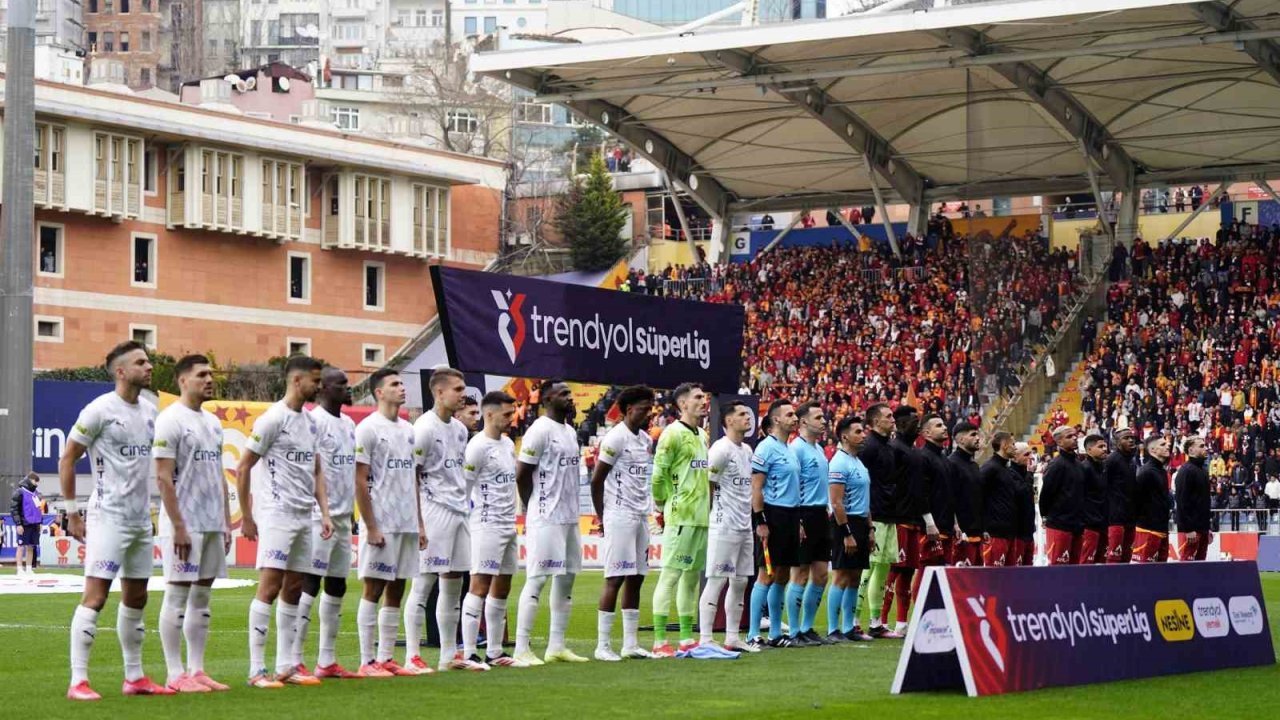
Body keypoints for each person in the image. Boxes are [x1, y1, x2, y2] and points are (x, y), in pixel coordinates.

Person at [62, 341, 172, 701]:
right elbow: (68, 459)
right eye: (142, 362)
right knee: (95, 597)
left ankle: (135, 676)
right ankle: (78, 681)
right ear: (121, 371)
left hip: (141, 519)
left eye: (149, 360)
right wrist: (72, 511)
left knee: (137, 597)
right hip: (107, 516)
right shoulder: (98, 411)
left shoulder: (151, 410)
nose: (150, 366)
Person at [237, 355, 333, 689]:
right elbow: (244, 465)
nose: (318, 387)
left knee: (294, 587)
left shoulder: (310, 423)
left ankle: (286, 666)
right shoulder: (271, 419)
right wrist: (248, 516)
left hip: (304, 516)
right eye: (315, 381)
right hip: (276, 515)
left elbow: (317, 470)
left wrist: (324, 512)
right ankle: (256, 670)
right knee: (270, 586)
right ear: (297, 380)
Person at [154, 355, 232, 693]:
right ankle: (174, 674)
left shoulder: (213, 423)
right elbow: (162, 477)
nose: (209, 379)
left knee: (202, 597)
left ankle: (197, 670)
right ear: (182, 380)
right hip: (183, 524)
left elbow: (218, 475)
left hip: (212, 522)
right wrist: (178, 526)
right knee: (176, 595)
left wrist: (226, 522)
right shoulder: (170, 420)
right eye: (202, 374)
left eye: (210, 374)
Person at [409, 368, 485, 672]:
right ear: (439, 392)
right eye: (458, 389)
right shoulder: (423, 428)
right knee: (424, 583)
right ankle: (413, 655)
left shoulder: (459, 429)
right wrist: (419, 523)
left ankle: (449, 655)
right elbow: (411, 475)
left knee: (454, 583)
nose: (463, 394)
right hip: (433, 511)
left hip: (458, 511)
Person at [352, 369, 426, 677]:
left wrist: (420, 523)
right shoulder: (368, 428)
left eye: (401, 383)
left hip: (406, 522)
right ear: (379, 392)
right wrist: (371, 526)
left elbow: (413, 478)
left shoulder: (409, 430)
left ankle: (386, 658)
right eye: (394, 384)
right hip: (381, 522)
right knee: (374, 588)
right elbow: (359, 479)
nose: (401, 388)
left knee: (397, 588)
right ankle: (367, 660)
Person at [513, 379, 587, 665]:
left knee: (566, 579)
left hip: (569, 517)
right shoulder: (539, 430)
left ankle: (557, 645)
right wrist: (535, 505)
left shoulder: (569, 431)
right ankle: (521, 648)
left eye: (570, 393)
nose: (570, 398)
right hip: (546, 516)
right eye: (563, 394)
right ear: (546, 400)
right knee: (538, 578)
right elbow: (522, 474)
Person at [297, 367, 359, 679]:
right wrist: (321, 510)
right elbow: (312, 470)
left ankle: (327, 660)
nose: (348, 388)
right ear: (323, 388)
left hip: (344, 516)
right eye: (342, 384)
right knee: (310, 582)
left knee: (337, 584)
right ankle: (295, 658)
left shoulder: (348, 423)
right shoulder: (313, 422)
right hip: (317, 516)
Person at [460, 391, 528, 668]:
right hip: (485, 524)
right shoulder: (476, 447)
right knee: (479, 585)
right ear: (490, 415)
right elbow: (464, 488)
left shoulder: (508, 444)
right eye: (507, 414)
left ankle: (495, 651)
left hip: (507, 524)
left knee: (503, 586)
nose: (512, 419)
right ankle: (468, 654)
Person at [591, 385, 658, 661]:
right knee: (615, 578)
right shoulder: (614, 438)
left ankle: (630, 643)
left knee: (637, 578)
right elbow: (597, 480)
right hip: (618, 515)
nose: (649, 414)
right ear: (629, 410)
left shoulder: (644, 439)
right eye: (644, 409)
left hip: (640, 515)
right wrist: (602, 516)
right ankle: (603, 645)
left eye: (650, 408)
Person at [649, 383, 712, 655]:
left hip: (701, 516)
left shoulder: (703, 435)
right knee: (670, 575)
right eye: (698, 397)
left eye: (705, 396)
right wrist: (663, 506)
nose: (704, 400)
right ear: (683, 404)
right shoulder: (671, 434)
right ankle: (660, 641)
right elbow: (658, 474)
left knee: (691, 579)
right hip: (680, 515)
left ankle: (687, 638)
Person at [698, 400, 760, 652]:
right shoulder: (720, 450)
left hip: (744, 526)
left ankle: (733, 637)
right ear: (729, 420)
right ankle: (705, 638)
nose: (748, 418)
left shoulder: (746, 450)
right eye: (743, 414)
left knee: (741, 582)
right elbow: (707, 485)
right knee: (716, 580)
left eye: (748, 413)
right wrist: (712, 517)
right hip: (723, 525)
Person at [748, 400, 801, 648]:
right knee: (766, 574)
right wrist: (760, 520)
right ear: (776, 420)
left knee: (781, 576)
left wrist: (798, 520)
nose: (795, 417)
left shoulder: (788, 448)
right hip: (772, 514)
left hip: (790, 516)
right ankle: (752, 633)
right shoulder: (766, 448)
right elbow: (756, 487)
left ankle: (776, 634)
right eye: (789, 414)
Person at [881, 406, 931, 635]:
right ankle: (880, 620)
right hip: (897, 519)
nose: (917, 424)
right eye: (913, 420)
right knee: (892, 570)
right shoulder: (894, 449)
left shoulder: (915, 451)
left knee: (909, 569)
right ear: (901, 423)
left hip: (913, 519)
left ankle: (901, 621)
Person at [787, 401, 832, 646]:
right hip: (803, 513)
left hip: (820, 514)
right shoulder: (797, 449)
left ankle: (807, 628)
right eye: (818, 417)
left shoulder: (819, 449)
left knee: (822, 574)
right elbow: (793, 485)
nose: (823, 421)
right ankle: (794, 632)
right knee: (800, 574)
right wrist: (798, 519)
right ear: (804, 422)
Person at [856, 403, 902, 639]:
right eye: (888, 416)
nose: (892, 419)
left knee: (883, 568)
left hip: (889, 514)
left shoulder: (889, 448)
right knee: (868, 567)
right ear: (875, 422)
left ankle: (876, 622)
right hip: (874, 514)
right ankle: (854, 620)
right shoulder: (868, 448)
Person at [827, 415, 873, 642]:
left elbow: (865, 498)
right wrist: (846, 533)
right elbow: (836, 502)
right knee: (841, 576)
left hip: (861, 522)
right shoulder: (839, 462)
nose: (863, 435)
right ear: (845, 436)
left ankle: (848, 627)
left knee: (855, 577)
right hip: (845, 523)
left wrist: (870, 528)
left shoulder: (858, 462)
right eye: (857, 432)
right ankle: (833, 629)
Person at [911, 415, 952, 603]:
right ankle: (920, 617)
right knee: (925, 571)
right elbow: (920, 493)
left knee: (942, 573)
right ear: (926, 433)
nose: (944, 428)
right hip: (930, 527)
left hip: (946, 525)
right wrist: (929, 523)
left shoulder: (943, 457)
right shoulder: (922, 457)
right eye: (938, 425)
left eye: (944, 424)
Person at [1040, 426, 1084, 565]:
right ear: (1059, 442)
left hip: (1077, 524)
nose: (1075, 438)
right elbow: (1046, 494)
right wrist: (1045, 516)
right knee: (1058, 569)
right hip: (1059, 525)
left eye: (1075, 435)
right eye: (1069, 436)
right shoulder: (1056, 465)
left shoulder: (1079, 464)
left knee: (1076, 569)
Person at [948, 423, 984, 567]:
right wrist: (955, 524)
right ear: (961, 440)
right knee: (959, 583)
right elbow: (949, 498)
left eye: (977, 434)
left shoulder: (974, 465)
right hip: (960, 535)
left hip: (976, 533)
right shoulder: (951, 463)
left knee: (977, 582)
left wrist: (983, 528)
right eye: (973, 435)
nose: (977, 438)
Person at [980, 432, 1018, 567]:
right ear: (1004, 445)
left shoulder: (1006, 469)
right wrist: (983, 527)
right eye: (1013, 444)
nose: (1015, 448)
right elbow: (977, 496)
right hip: (994, 533)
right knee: (993, 579)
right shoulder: (990, 468)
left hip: (1009, 532)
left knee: (1009, 579)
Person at [1133, 436, 1172, 563]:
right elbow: (1136, 500)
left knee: (1161, 574)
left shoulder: (1161, 471)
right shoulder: (1146, 472)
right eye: (1163, 444)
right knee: (1145, 574)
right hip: (1147, 530)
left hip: (1162, 529)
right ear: (1153, 450)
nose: (1168, 446)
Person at [1104, 428, 1139, 563]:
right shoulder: (1111, 460)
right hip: (1115, 518)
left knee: (1126, 559)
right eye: (1126, 438)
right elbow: (1103, 486)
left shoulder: (1132, 462)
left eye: (1132, 437)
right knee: (1114, 558)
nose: (1131, 440)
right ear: (1117, 443)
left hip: (1129, 517)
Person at [1175, 436, 1212, 561]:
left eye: (1205, 445)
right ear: (1191, 451)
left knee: (1200, 567)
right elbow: (1181, 502)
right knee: (1187, 566)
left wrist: (1207, 528)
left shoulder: (1203, 470)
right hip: (1191, 531)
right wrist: (1189, 529)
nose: (1206, 448)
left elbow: (1204, 502)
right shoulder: (1186, 471)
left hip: (1202, 528)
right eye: (1201, 446)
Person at [1078, 435, 1109, 565]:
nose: (1104, 449)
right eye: (1100, 446)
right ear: (1089, 450)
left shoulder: (1104, 468)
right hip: (1089, 526)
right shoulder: (1083, 469)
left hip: (1103, 524)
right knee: (1086, 564)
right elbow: (1079, 497)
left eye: (1105, 446)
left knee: (1102, 564)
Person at [10, 472, 42, 577]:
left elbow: (38, 509)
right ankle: (19, 569)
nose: (37, 484)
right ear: (30, 480)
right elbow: (14, 509)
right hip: (24, 524)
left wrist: (40, 522)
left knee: (31, 547)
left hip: (34, 525)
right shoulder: (20, 492)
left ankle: (29, 569)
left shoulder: (36, 494)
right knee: (20, 546)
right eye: (35, 482)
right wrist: (18, 524)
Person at [1010, 443, 1036, 566]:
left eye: (1031, 453)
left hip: (1028, 531)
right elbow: (1022, 493)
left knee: (1028, 568)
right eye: (1026, 454)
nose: (1031, 457)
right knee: (1017, 569)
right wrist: (1030, 475)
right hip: (1017, 532)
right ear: (1015, 457)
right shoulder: (1010, 474)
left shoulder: (1025, 473)